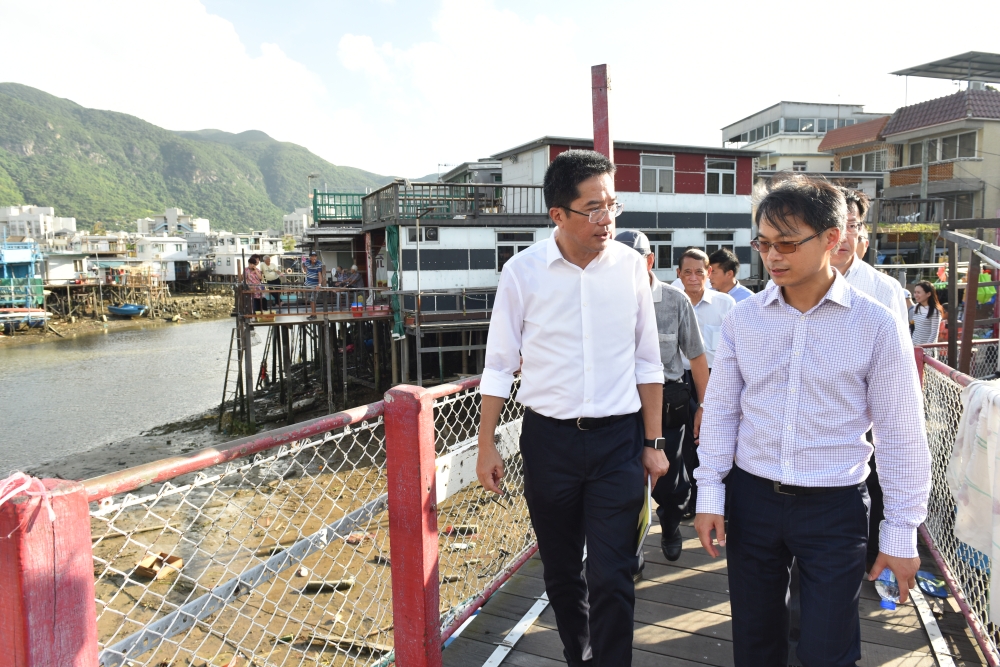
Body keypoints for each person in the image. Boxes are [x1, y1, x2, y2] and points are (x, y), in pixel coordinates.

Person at [694, 176, 931, 667]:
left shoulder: (876, 324)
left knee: (828, 647)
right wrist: (710, 492)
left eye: (787, 243)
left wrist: (901, 532)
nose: (772, 256)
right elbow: (721, 411)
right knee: (755, 644)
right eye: (763, 244)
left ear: (832, 237)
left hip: (835, 505)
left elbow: (900, 432)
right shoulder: (745, 319)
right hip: (753, 497)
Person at [477, 149, 666, 667]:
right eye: (593, 208)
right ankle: (579, 655)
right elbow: (498, 366)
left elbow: (649, 361)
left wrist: (653, 443)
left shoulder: (631, 268)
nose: (607, 219)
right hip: (549, 442)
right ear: (557, 214)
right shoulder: (522, 272)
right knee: (562, 572)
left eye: (612, 205)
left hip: (617, 442)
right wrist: (487, 444)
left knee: (613, 573)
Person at [616, 230, 708, 567]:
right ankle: (633, 550)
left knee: (670, 483)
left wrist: (705, 408)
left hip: (669, 405)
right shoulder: (604, 299)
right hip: (621, 406)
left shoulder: (675, 301)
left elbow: (697, 358)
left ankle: (670, 525)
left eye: (630, 261)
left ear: (649, 261)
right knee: (623, 484)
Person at [676, 247, 735, 509]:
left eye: (699, 272)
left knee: (712, 435)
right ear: (678, 274)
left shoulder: (725, 304)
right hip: (679, 378)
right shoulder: (670, 301)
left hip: (715, 377)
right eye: (686, 272)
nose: (692, 277)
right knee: (686, 438)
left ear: (709, 273)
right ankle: (690, 500)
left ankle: (715, 500)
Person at [831, 188, 908, 323]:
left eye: (851, 225)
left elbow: (899, 343)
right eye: (834, 225)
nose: (842, 237)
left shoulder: (885, 289)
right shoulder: (790, 285)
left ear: (860, 228)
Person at [911, 280, 943, 344]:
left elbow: (934, 333)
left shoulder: (934, 311)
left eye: (918, 292)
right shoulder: (916, 307)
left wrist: (927, 348)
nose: (916, 295)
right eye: (915, 292)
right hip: (914, 345)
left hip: (927, 348)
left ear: (928, 294)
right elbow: (913, 327)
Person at [303, 250, 323, 320]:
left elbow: (320, 274)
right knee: (310, 300)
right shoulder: (307, 262)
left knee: (313, 300)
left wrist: (319, 284)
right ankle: (312, 314)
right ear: (310, 257)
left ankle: (314, 315)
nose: (314, 258)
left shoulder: (319, 263)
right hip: (308, 284)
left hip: (315, 285)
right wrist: (305, 269)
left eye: (315, 256)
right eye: (312, 256)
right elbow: (304, 266)